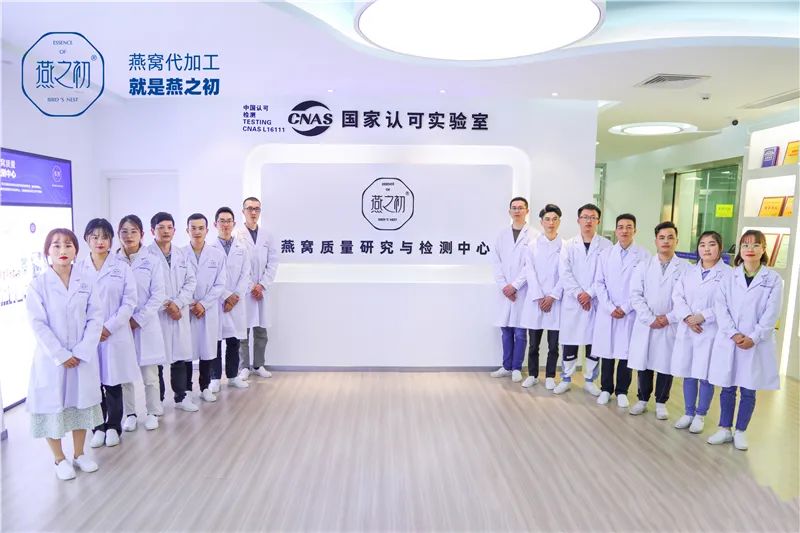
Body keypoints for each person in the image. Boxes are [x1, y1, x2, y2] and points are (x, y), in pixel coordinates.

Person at [26, 229, 103, 480]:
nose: (62, 250)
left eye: (68, 245)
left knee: (81, 404)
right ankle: (59, 459)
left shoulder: (86, 281)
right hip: (52, 361)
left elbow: (95, 318)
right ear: (47, 251)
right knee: (53, 406)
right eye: (56, 245)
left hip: (81, 358)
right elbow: (38, 324)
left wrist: (81, 351)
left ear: (76, 251)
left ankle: (79, 454)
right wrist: (60, 354)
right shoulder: (38, 285)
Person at [707, 230, 783, 450]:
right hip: (731, 339)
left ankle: (740, 431)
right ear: (740, 250)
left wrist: (754, 337)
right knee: (728, 386)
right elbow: (721, 308)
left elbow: (772, 313)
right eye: (746, 245)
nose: (750, 249)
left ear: (764, 249)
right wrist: (733, 333)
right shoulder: (729, 277)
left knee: (749, 388)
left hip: (755, 343)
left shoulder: (773, 280)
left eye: (756, 245)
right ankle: (724, 428)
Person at [76, 219, 140, 448]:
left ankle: (113, 426)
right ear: (87, 239)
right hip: (88, 336)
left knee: (113, 383)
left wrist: (108, 327)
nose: (100, 241)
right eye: (95, 237)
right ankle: (98, 427)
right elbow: (75, 304)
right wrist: (94, 329)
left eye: (104, 237)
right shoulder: (78, 269)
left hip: (114, 334)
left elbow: (129, 302)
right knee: (93, 383)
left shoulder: (121, 267)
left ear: (111, 240)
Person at [628, 221, 690, 419]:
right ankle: (642, 399)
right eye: (662, 237)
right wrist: (649, 318)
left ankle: (661, 402)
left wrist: (669, 318)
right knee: (644, 362)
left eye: (670, 237)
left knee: (665, 364)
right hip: (647, 323)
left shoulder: (686, 268)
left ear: (676, 241)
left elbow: (687, 298)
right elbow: (635, 294)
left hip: (670, 324)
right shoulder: (644, 265)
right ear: (655, 241)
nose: (666, 241)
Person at [670, 231, 731, 434]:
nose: (706, 249)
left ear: (720, 248)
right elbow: (677, 296)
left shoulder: (728, 274)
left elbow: (727, 303)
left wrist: (703, 316)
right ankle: (688, 412)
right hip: (689, 328)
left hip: (710, 330)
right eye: (702, 244)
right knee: (688, 372)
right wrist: (688, 317)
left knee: (705, 375)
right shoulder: (689, 272)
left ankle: (700, 415)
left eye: (712, 244)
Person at [592, 214, 650, 408]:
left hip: (630, 311)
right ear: (616, 230)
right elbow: (599, 283)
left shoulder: (644, 255)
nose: (625, 230)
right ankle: (606, 388)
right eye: (621, 227)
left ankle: (622, 391)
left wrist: (625, 307)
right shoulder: (606, 254)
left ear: (635, 230)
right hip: (608, 311)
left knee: (626, 352)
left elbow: (644, 286)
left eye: (629, 227)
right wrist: (610, 307)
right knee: (607, 351)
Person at [553, 203, 612, 395]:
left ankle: (589, 380)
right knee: (570, 342)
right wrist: (580, 294)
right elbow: (564, 273)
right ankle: (566, 378)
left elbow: (606, 275)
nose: (588, 221)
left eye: (593, 217)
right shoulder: (568, 245)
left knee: (594, 343)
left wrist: (590, 294)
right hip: (574, 301)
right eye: (585, 217)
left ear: (598, 221)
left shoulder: (606, 246)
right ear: (578, 220)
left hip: (595, 302)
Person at [117, 215, 167, 432]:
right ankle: (130, 414)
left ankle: (153, 412)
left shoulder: (152, 261)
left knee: (150, 374)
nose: (129, 236)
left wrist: (138, 319)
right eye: (124, 232)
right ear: (118, 235)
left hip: (145, 325)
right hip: (121, 326)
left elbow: (158, 295)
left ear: (142, 234)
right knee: (125, 374)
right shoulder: (113, 262)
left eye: (133, 231)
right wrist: (122, 320)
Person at [185, 213, 240, 402]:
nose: (197, 232)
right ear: (187, 230)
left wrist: (203, 304)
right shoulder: (180, 255)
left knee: (207, 349)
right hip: (188, 309)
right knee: (186, 351)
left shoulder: (216, 255)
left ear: (207, 230)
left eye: (201, 228)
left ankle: (205, 387)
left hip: (208, 309)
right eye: (193, 228)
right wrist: (191, 303)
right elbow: (177, 283)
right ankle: (185, 390)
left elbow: (220, 283)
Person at [147, 212, 199, 413]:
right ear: (152, 231)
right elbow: (146, 287)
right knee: (157, 360)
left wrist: (177, 303)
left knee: (179, 357)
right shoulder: (146, 255)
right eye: (161, 227)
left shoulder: (181, 254)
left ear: (175, 230)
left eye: (169, 227)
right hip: (158, 314)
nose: (166, 231)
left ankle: (181, 397)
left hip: (179, 312)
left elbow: (191, 281)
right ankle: (157, 401)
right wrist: (167, 305)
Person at [490, 197, 537, 383]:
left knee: (520, 332)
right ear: (509, 211)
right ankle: (506, 366)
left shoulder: (534, 236)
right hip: (505, 292)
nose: (517, 211)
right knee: (506, 331)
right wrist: (504, 286)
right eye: (514, 208)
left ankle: (516, 367)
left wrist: (515, 286)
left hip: (522, 291)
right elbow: (496, 263)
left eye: (520, 208)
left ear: (527, 211)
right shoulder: (502, 235)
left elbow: (531, 266)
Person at [519, 204, 565, 389]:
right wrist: (539, 296)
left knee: (553, 345)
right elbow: (529, 272)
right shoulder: (532, 246)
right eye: (547, 219)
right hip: (536, 300)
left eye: (554, 219)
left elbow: (566, 274)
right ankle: (533, 375)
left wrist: (552, 296)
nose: (551, 223)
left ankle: (551, 376)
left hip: (555, 301)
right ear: (541, 222)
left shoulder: (565, 246)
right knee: (534, 344)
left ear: (559, 221)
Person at [235, 197, 279, 381]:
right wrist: (250, 285)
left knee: (261, 331)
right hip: (244, 291)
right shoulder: (237, 235)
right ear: (243, 211)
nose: (253, 212)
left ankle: (259, 364)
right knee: (242, 331)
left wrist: (262, 285)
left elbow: (273, 262)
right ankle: (243, 367)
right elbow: (236, 265)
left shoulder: (267, 236)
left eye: (257, 209)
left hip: (261, 290)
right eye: (250, 208)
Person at [209, 207, 252, 394]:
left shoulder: (242, 249)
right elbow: (210, 278)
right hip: (217, 302)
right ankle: (214, 378)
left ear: (234, 224)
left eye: (228, 221)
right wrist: (226, 296)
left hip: (236, 302)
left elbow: (245, 274)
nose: (225, 225)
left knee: (234, 341)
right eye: (222, 221)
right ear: (215, 224)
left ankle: (233, 376)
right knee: (215, 342)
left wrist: (235, 297)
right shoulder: (210, 249)